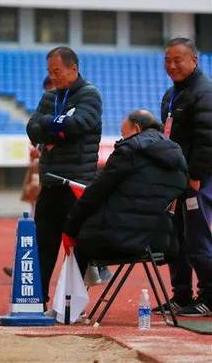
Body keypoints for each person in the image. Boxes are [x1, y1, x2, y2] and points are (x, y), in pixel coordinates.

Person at [63, 111, 187, 275]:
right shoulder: (178, 157)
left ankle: (71, 299)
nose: (121, 139)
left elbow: (96, 193)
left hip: (117, 240)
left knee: (81, 242)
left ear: (136, 128)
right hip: (159, 242)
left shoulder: (128, 150)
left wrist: (70, 226)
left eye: (123, 134)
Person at [26, 46, 102, 308]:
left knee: (75, 247)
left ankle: (72, 303)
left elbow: (78, 125)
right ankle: (39, 299)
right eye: (49, 72)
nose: (53, 77)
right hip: (50, 182)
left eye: (56, 71)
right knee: (43, 245)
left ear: (73, 68)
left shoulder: (90, 95)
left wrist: (50, 126)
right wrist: (55, 127)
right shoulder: (50, 97)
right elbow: (32, 128)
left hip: (76, 184)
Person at [157, 38, 212, 317]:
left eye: (178, 59)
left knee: (198, 237)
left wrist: (196, 175)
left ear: (194, 60)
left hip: (197, 180)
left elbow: (207, 139)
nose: (172, 65)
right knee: (175, 238)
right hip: (175, 180)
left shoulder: (205, 92)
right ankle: (181, 295)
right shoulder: (172, 95)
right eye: (167, 60)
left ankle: (210, 297)